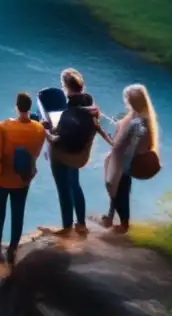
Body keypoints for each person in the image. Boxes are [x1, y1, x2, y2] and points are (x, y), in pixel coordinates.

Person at [0, 92, 47, 265]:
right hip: (22, 178)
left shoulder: (3, 126)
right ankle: (13, 248)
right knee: (18, 212)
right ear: (29, 107)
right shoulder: (39, 128)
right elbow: (35, 154)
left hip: (3, 176)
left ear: (17, 107)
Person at [47, 69, 106, 236]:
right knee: (75, 185)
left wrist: (45, 131)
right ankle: (81, 224)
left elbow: (57, 139)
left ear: (65, 86)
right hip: (80, 153)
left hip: (64, 155)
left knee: (63, 189)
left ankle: (67, 227)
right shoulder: (90, 104)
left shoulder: (68, 113)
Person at [101, 84, 159, 234]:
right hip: (130, 160)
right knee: (120, 190)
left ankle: (122, 224)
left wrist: (101, 131)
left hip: (126, 163)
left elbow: (120, 145)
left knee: (119, 191)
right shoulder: (144, 118)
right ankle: (112, 217)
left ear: (132, 102)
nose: (125, 101)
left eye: (126, 99)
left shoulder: (136, 123)